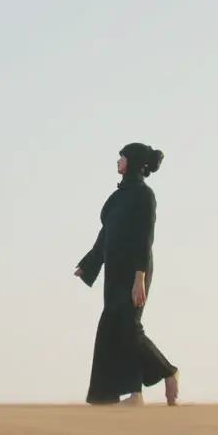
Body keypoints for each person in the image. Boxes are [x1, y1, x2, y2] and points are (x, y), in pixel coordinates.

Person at [74, 142, 180, 406]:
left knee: (129, 328)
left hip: (135, 271)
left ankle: (167, 372)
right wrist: (89, 264)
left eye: (121, 156)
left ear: (131, 161)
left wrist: (140, 277)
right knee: (111, 328)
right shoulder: (116, 198)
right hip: (114, 272)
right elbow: (105, 236)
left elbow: (145, 238)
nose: (117, 160)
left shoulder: (145, 196)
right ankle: (111, 395)